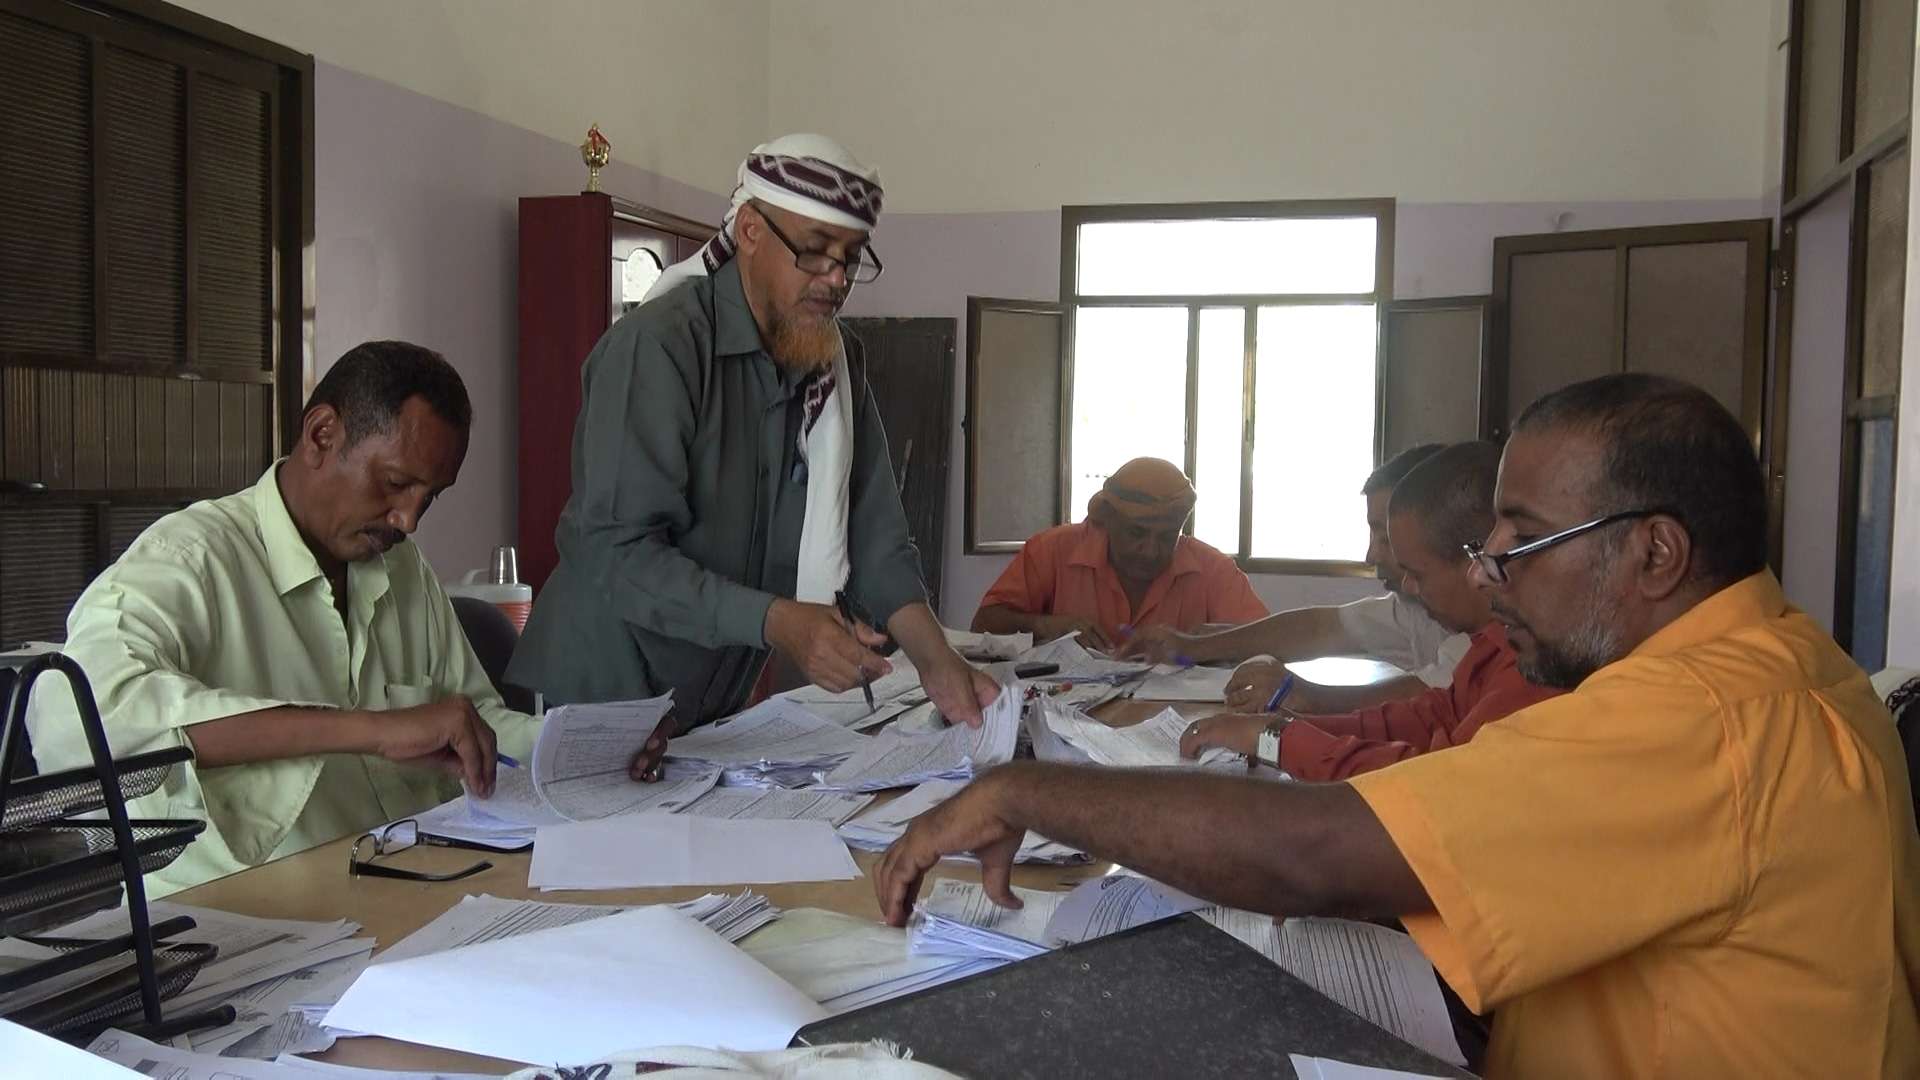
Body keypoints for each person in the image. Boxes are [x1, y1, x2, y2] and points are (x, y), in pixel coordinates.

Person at [875, 374, 1920, 1077]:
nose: (1489, 569)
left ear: (1654, 553)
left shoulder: (1704, 718)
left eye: (1522, 540)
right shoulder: (1768, 663)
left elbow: (1314, 855)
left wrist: (1022, 789)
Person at [27, 343, 667, 896]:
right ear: (321, 435)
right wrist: (371, 730)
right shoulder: (191, 559)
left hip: (404, 883)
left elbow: (471, 723)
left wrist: (587, 748)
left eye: (429, 498)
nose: (408, 520)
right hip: (250, 916)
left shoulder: (400, 566)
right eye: (394, 483)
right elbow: (78, 717)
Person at [508, 135, 997, 729]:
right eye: (814, 251)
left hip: (704, 709)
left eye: (851, 258)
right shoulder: (660, 348)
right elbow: (619, 554)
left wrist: (937, 660)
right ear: (749, 232)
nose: (835, 279)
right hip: (598, 697)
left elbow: (876, 536)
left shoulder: (834, 362)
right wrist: (777, 621)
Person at [1177, 442, 1560, 779]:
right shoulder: (1491, 642)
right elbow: (1429, 716)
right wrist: (1283, 729)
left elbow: (1437, 781)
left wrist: (1278, 741)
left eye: (1417, 573)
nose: (1407, 585)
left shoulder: (1536, 664)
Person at [1123, 444, 1470, 713]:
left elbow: (1432, 697)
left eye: (1387, 538)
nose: (1371, 555)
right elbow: (1321, 627)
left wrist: (1305, 696)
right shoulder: (1414, 605)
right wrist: (1194, 646)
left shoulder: (1483, 633)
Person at [970, 458, 1267, 650]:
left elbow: (1268, 641)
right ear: (1107, 520)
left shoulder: (1213, 569)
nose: (1150, 551)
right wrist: (1046, 626)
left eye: (1167, 537)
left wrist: (1195, 645)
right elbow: (983, 624)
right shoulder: (1053, 550)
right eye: (1137, 533)